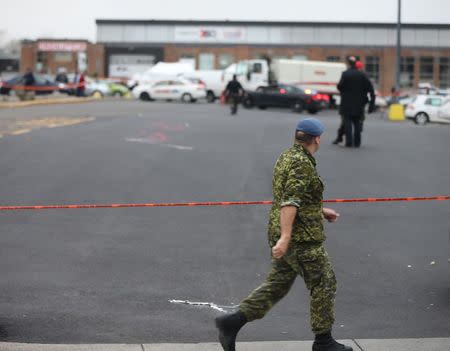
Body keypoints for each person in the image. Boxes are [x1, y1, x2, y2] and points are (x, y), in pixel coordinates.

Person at [215, 118, 352, 351]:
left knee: (277, 284)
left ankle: (232, 322)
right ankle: (324, 342)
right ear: (317, 138)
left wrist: (319, 211)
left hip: (283, 232)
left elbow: (293, 197)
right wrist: (286, 237)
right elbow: (290, 202)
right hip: (301, 240)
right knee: (324, 282)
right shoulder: (302, 164)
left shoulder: (287, 156)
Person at [337, 57, 375, 148]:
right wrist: (371, 104)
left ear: (349, 64)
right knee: (357, 122)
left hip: (346, 103)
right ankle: (357, 142)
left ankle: (349, 142)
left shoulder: (345, 74)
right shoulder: (362, 75)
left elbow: (339, 86)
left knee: (347, 122)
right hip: (359, 103)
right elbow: (371, 89)